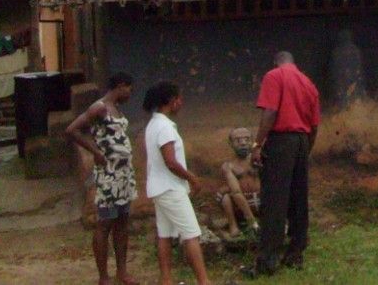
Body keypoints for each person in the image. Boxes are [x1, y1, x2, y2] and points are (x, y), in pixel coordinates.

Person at [245, 51, 320, 277]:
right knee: (298, 198)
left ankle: (268, 260)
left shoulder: (274, 76)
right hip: (302, 141)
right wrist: (306, 149)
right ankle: (295, 253)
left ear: (276, 62)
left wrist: (257, 144)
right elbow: (315, 125)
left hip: (281, 140)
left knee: (274, 200)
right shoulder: (308, 83)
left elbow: (270, 112)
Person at [65, 72, 138, 285]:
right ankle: (103, 276)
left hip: (124, 175)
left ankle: (122, 272)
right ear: (121, 86)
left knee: (122, 223)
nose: (130, 94)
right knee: (105, 224)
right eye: (129, 89)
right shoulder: (99, 108)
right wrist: (95, 152)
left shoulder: (117, 109)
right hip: (109, 175)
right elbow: (72, 130)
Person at [143, 81, 211, 285]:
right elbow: (171, 162)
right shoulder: (165, 127)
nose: (181, 103)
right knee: (191, 234)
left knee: (164, 234)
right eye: (179, 99)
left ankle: (166, 279)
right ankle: (204, 281)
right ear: (172, 101)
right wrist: (191, 177)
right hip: (170, 188)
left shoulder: (153, 124)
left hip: (159, 188)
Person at [218, 127, 261, 238]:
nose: (243, 143)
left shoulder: (259, 160)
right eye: (237, 140)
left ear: (252, 141)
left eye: (247, 139)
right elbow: (236, 192)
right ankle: (233, 226)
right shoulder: (228, 166)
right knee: (225, 197)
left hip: (262, 203)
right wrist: (252, 221)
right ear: (231, 144)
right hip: (241, 207)